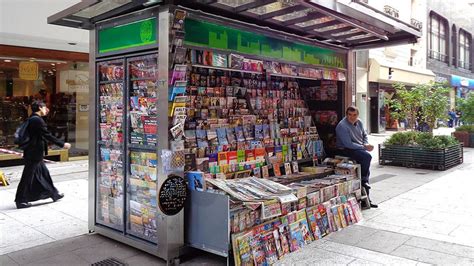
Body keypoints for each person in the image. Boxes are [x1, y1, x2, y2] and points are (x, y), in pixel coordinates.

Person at [14, 101, 71, 209]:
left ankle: (54, 193)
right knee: (27, 176)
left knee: (44, 174)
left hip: (35, 153)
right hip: (33, 153)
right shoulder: (36, 120)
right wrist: (62, 144)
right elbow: (46, 135)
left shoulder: (34, 119)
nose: (46, 109)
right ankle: (20, 200)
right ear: (40, 108)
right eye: (45, 107)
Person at [336, 106, 377, 208]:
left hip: (359, 147)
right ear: (346, 115)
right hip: (346, 149)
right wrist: (364, 147)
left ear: (357, 115)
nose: (352, 117)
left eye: (354, 115)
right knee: (366, 157)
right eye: (349, 115)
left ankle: (366, 195)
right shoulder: (342, 126)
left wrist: (366, 144)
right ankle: (364, 181)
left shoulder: (360, 122)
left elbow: (364, 135)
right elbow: (347, 144)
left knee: (365, 165)